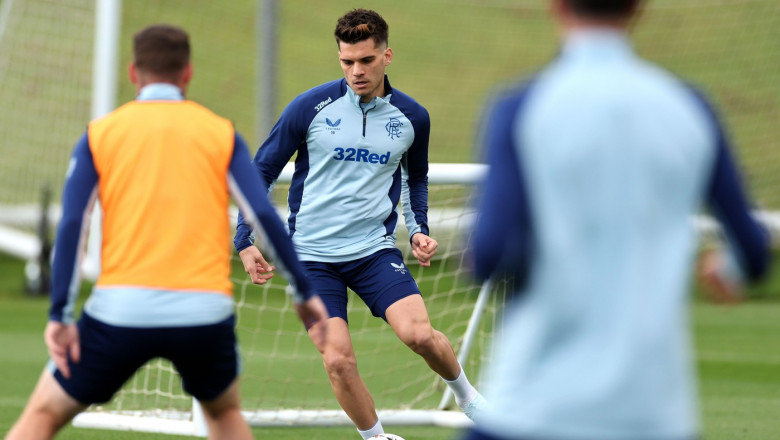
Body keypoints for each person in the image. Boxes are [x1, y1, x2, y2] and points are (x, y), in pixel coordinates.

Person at [464, 1, 772, 439]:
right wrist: (728, 269)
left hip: (536, 405)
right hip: (652, 415)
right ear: (638, 8)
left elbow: (488, 256)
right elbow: (754, 252)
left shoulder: (521, 107)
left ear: (557, 6)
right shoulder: (691, 107)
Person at [5, 24, 328, 440]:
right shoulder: (221, 133)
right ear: (188, 72)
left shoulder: (100, 135)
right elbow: (264, 216)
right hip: (204, 314)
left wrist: (60, 317)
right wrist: (303, 291)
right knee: (225, 414)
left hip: (119, 311)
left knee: (44, 413)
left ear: (133, 73)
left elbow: (72, 224)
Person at [234, 8, 485, 439]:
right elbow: (260, 171)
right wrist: (245, 237)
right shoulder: (309, 107)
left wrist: (419, 227)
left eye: (366, 61)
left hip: (373, 251)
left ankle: (468, 398)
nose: (356, 71)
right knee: (337, 360)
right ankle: (377, 438)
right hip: (310, 259)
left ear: (387, 56)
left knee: (420, 335)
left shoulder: (412, 118)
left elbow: (416, 177)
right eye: (347, 61)